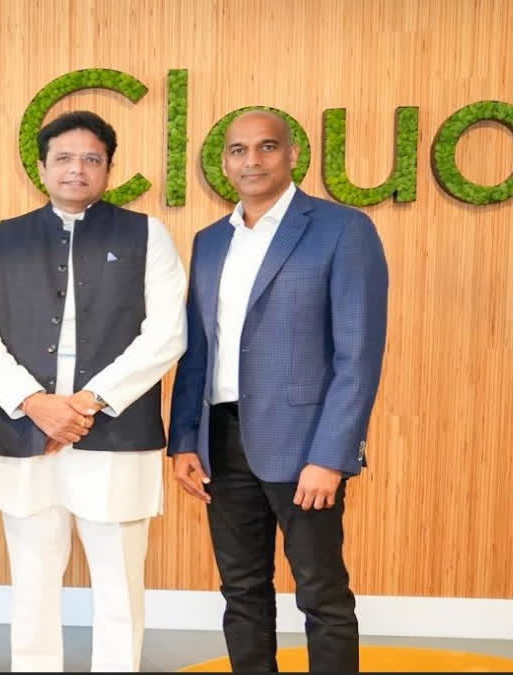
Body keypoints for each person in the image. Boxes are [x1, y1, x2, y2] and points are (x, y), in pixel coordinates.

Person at [0, 110, 187, 671]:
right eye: (63, 158)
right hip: (26, 431)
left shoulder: (146, 234)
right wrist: (35, 404)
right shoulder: (4, 238)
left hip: (114, 430)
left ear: (109, 169)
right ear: (40, 167)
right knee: (32, 582)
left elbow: (166, 334)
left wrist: (88, 402)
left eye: (92, 159)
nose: (76, 169)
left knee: (118, 583)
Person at [168, 109, 389, 672]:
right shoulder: (210, 240)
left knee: (321, 594)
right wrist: (184, 439)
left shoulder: (343, 229)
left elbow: (357, 355)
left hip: (303, 446)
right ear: (224, 163)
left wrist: (331, 455)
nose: (252, 160)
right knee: (241, 591)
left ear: (292, 155)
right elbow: (199, 347)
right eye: (239, 150)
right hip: (221, 440)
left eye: (266, 147)